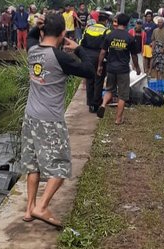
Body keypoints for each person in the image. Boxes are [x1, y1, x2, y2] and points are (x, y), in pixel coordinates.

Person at [22, 13, 94, 228]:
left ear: (44, 31)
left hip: (30, 117)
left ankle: (29, 209)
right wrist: (78, 48)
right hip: (50, 120)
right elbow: (89, 71)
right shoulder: (61, 58)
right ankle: (41, 207)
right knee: (61, 168)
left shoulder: (33, 49)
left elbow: (32, 36)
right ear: (63, 33)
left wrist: (37, 26)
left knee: (32, 163)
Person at [96, 13, 141, 124]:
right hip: (123, 70)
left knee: (109, 90)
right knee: (122, 95)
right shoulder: (129, 37)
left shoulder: (110, 35)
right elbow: (134, 55)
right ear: (126, 24)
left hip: (111, 68)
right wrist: (137, 68)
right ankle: (118, 119)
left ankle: (103, 104)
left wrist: (99, 65)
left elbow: (102, 52)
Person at [79, 9, 112, 113]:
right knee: (99, 80)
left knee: (90, 80)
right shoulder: (107, 31)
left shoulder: (88, 28)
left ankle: (90, 105)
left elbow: (81, 43)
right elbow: (108, 48)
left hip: (87, 57)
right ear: (106, 21)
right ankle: (96, 104)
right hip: (99, 58)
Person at [142, 9, 156, 76]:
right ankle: (145, 70)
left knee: (151, 57)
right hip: (145, 43)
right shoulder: (143, 25)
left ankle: (150, 70)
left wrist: (153, 42)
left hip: (151, 43)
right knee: (145, 57)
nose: (148, 18)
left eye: (149, 16)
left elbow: (155, 35)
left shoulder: (154, 25)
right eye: (147, 16)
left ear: (152, 17)